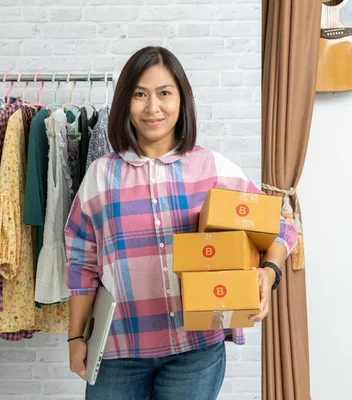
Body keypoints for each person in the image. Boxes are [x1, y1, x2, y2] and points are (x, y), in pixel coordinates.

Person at [63, 46, 298, 400]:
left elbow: (282, 225)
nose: (152, 107)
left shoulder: (213, 169)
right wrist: (75, 337)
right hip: (119, 349)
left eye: (164, 94)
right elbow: (81, 263)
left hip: (196, 351)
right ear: (126, 101)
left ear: (181, 100)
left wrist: (268, 272)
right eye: (140, 94)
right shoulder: (100, 176)